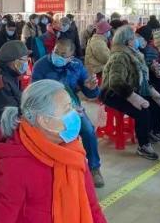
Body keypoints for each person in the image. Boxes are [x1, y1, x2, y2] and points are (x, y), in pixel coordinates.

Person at [0, 80, 135, 223]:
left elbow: (91, 208)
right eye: (67, 109)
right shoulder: (13, 167)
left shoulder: (72, 152)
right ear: (44, 120)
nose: (75, 114)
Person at [32, 39, 105, 187]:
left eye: (63, 54)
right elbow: (35, 94)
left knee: (88, 130)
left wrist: (91, 88)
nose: (57, 56)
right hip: (48, 110)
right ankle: (51, 171)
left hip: (71, 107)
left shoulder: (76, 66)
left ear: (71, 57)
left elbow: (90, 93)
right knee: (52, 136)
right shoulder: (41, 65)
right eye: (56, 52)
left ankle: (94, 168)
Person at [101, 25, 160, 161]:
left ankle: (155, 131)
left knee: (155, 103)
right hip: (113, 93)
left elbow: (141, 77)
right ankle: (143, 145)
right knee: (142, 111)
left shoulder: (135, 54)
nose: (137, 39)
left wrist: (150, 89)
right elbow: (115, 82)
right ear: (128, 41)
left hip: (130, 89)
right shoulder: (120, 56)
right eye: (134, 38)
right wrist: (133, 97)